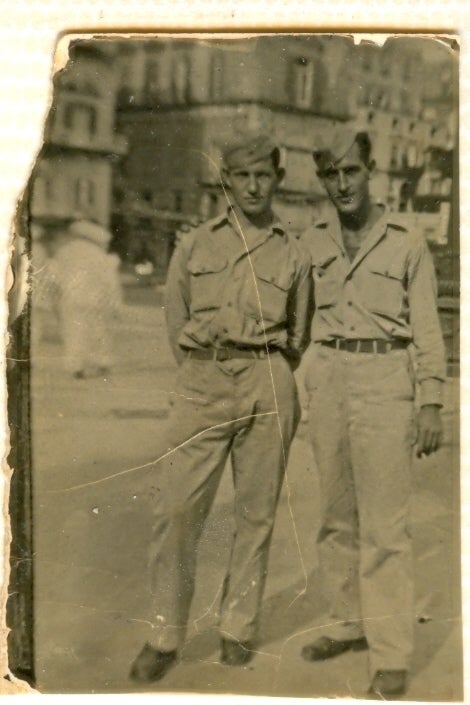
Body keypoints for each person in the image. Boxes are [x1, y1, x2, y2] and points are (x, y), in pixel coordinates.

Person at [129, 134, 312, 683]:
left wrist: (266, 370)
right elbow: (174, 318)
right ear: (226, 181)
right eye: (242, 175)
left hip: (269, 378)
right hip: (203, 380)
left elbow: (299, 333)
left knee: (255, 515)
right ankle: (164, 635)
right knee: (178, 513)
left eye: (263, 176)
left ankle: (237, 627)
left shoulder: (295, 251)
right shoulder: (194, 245)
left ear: (277, 179)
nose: (253, 186)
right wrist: (205, 367)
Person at [299, 127, 446, 698]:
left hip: (387, 381)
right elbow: (297, 320)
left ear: (370, 170)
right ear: (322, 181)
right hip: (330, 377)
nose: (342, 184)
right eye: (330, 175)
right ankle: (346, 624)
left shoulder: (407, 241)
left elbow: (428, 328)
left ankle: (391, 654)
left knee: (385, 527)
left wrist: (430, 399)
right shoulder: (313, 243)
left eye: (350, 171)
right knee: (336, 518)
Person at [53, 218, 122, 378]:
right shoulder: (99, 254)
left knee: (73, 331)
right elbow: (110, 281)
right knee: (99, 330)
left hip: (70, 297)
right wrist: (115, 303)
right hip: (95, 299)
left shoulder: (65, 251)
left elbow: (54, 275)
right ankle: (102, 362)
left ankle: (75, 366)